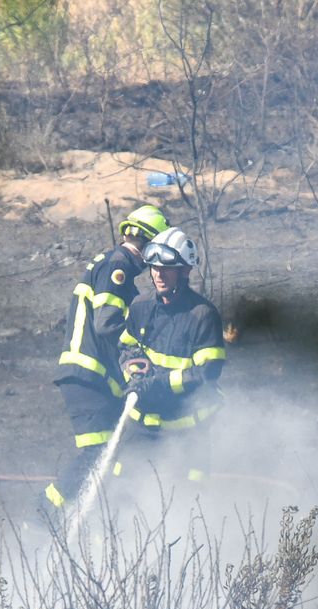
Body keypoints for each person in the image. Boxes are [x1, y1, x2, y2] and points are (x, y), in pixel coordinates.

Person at [44, 204, 170, 511]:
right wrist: (138, 347)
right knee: (97, 455)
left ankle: (100, 525)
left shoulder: (111, 265)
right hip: (88, 376)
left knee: (112, 456)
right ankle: (41, 517)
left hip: (93, 379)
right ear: (149, 243)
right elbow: (107, 322)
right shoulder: (118, 266)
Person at [116, 227, 225, 484]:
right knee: (122, 485)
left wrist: (159, 383)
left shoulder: (202, 315)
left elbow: (208, 372)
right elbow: (126, 347)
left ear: (185, 270)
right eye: (154, 267)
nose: (159, 274)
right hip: (144, 421)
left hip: (188, 427)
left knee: (191, 493)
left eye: (167, 268)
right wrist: (132, 370)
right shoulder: (141, 306)